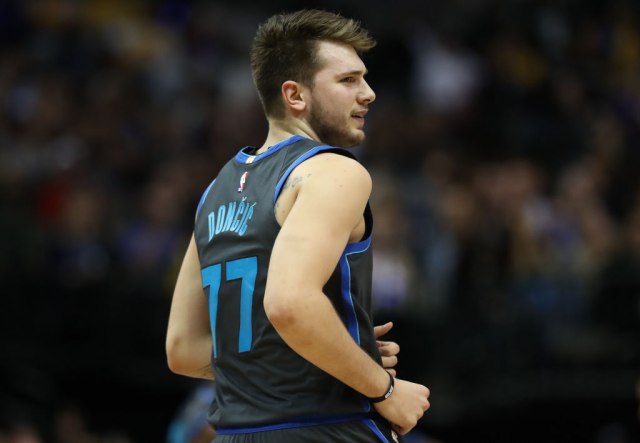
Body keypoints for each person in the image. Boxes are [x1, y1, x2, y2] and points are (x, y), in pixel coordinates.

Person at [166, 9, 430, 442]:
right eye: (348, 80)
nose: (368, 93)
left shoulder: (215, 191)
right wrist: (382, 387)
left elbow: (182, 348)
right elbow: (290, 303)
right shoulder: (332, 171)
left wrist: (334, 355)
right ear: (295, 95)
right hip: (325, 429)